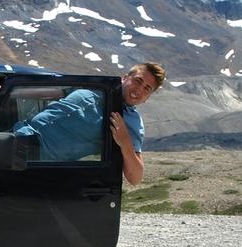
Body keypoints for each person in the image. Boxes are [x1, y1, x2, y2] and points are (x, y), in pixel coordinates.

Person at [9, 62, 165, 185]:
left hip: (33, 160)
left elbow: (135, 178)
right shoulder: (96, 87)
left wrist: (125, 142)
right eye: (138, 81)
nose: (139, 89)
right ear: (125, 77)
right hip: (15, 133)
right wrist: (4, 91)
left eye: (147, 89)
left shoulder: (131, 122)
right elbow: (51, 93)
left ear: (147, 98)